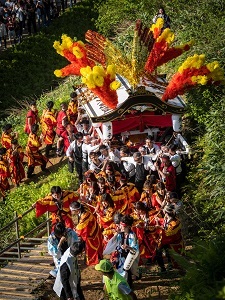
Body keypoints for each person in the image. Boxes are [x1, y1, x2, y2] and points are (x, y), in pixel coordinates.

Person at [69, 201, 103, 265]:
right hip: (92, 226)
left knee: (91, 247)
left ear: (77, 210)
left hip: (92, 231)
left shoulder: (85, 215)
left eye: (72, 210)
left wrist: (74, 230)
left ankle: (93, 260)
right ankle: (98, 257)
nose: (71, 212)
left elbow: (80, 228)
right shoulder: (82, 206)